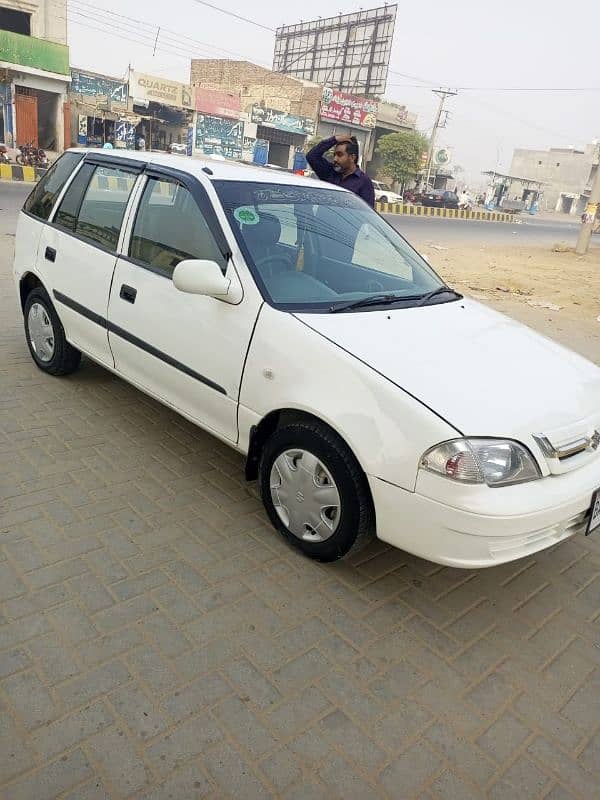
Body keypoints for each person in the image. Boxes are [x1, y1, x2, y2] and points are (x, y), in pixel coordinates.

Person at [307, 134, 375, 208]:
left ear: (352, 158)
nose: (335, 159)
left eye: (340, 155)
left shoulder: (364, 182)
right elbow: (311, 156)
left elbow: (367, 212)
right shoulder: (329, 172)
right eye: (334, 155)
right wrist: (334, 140)